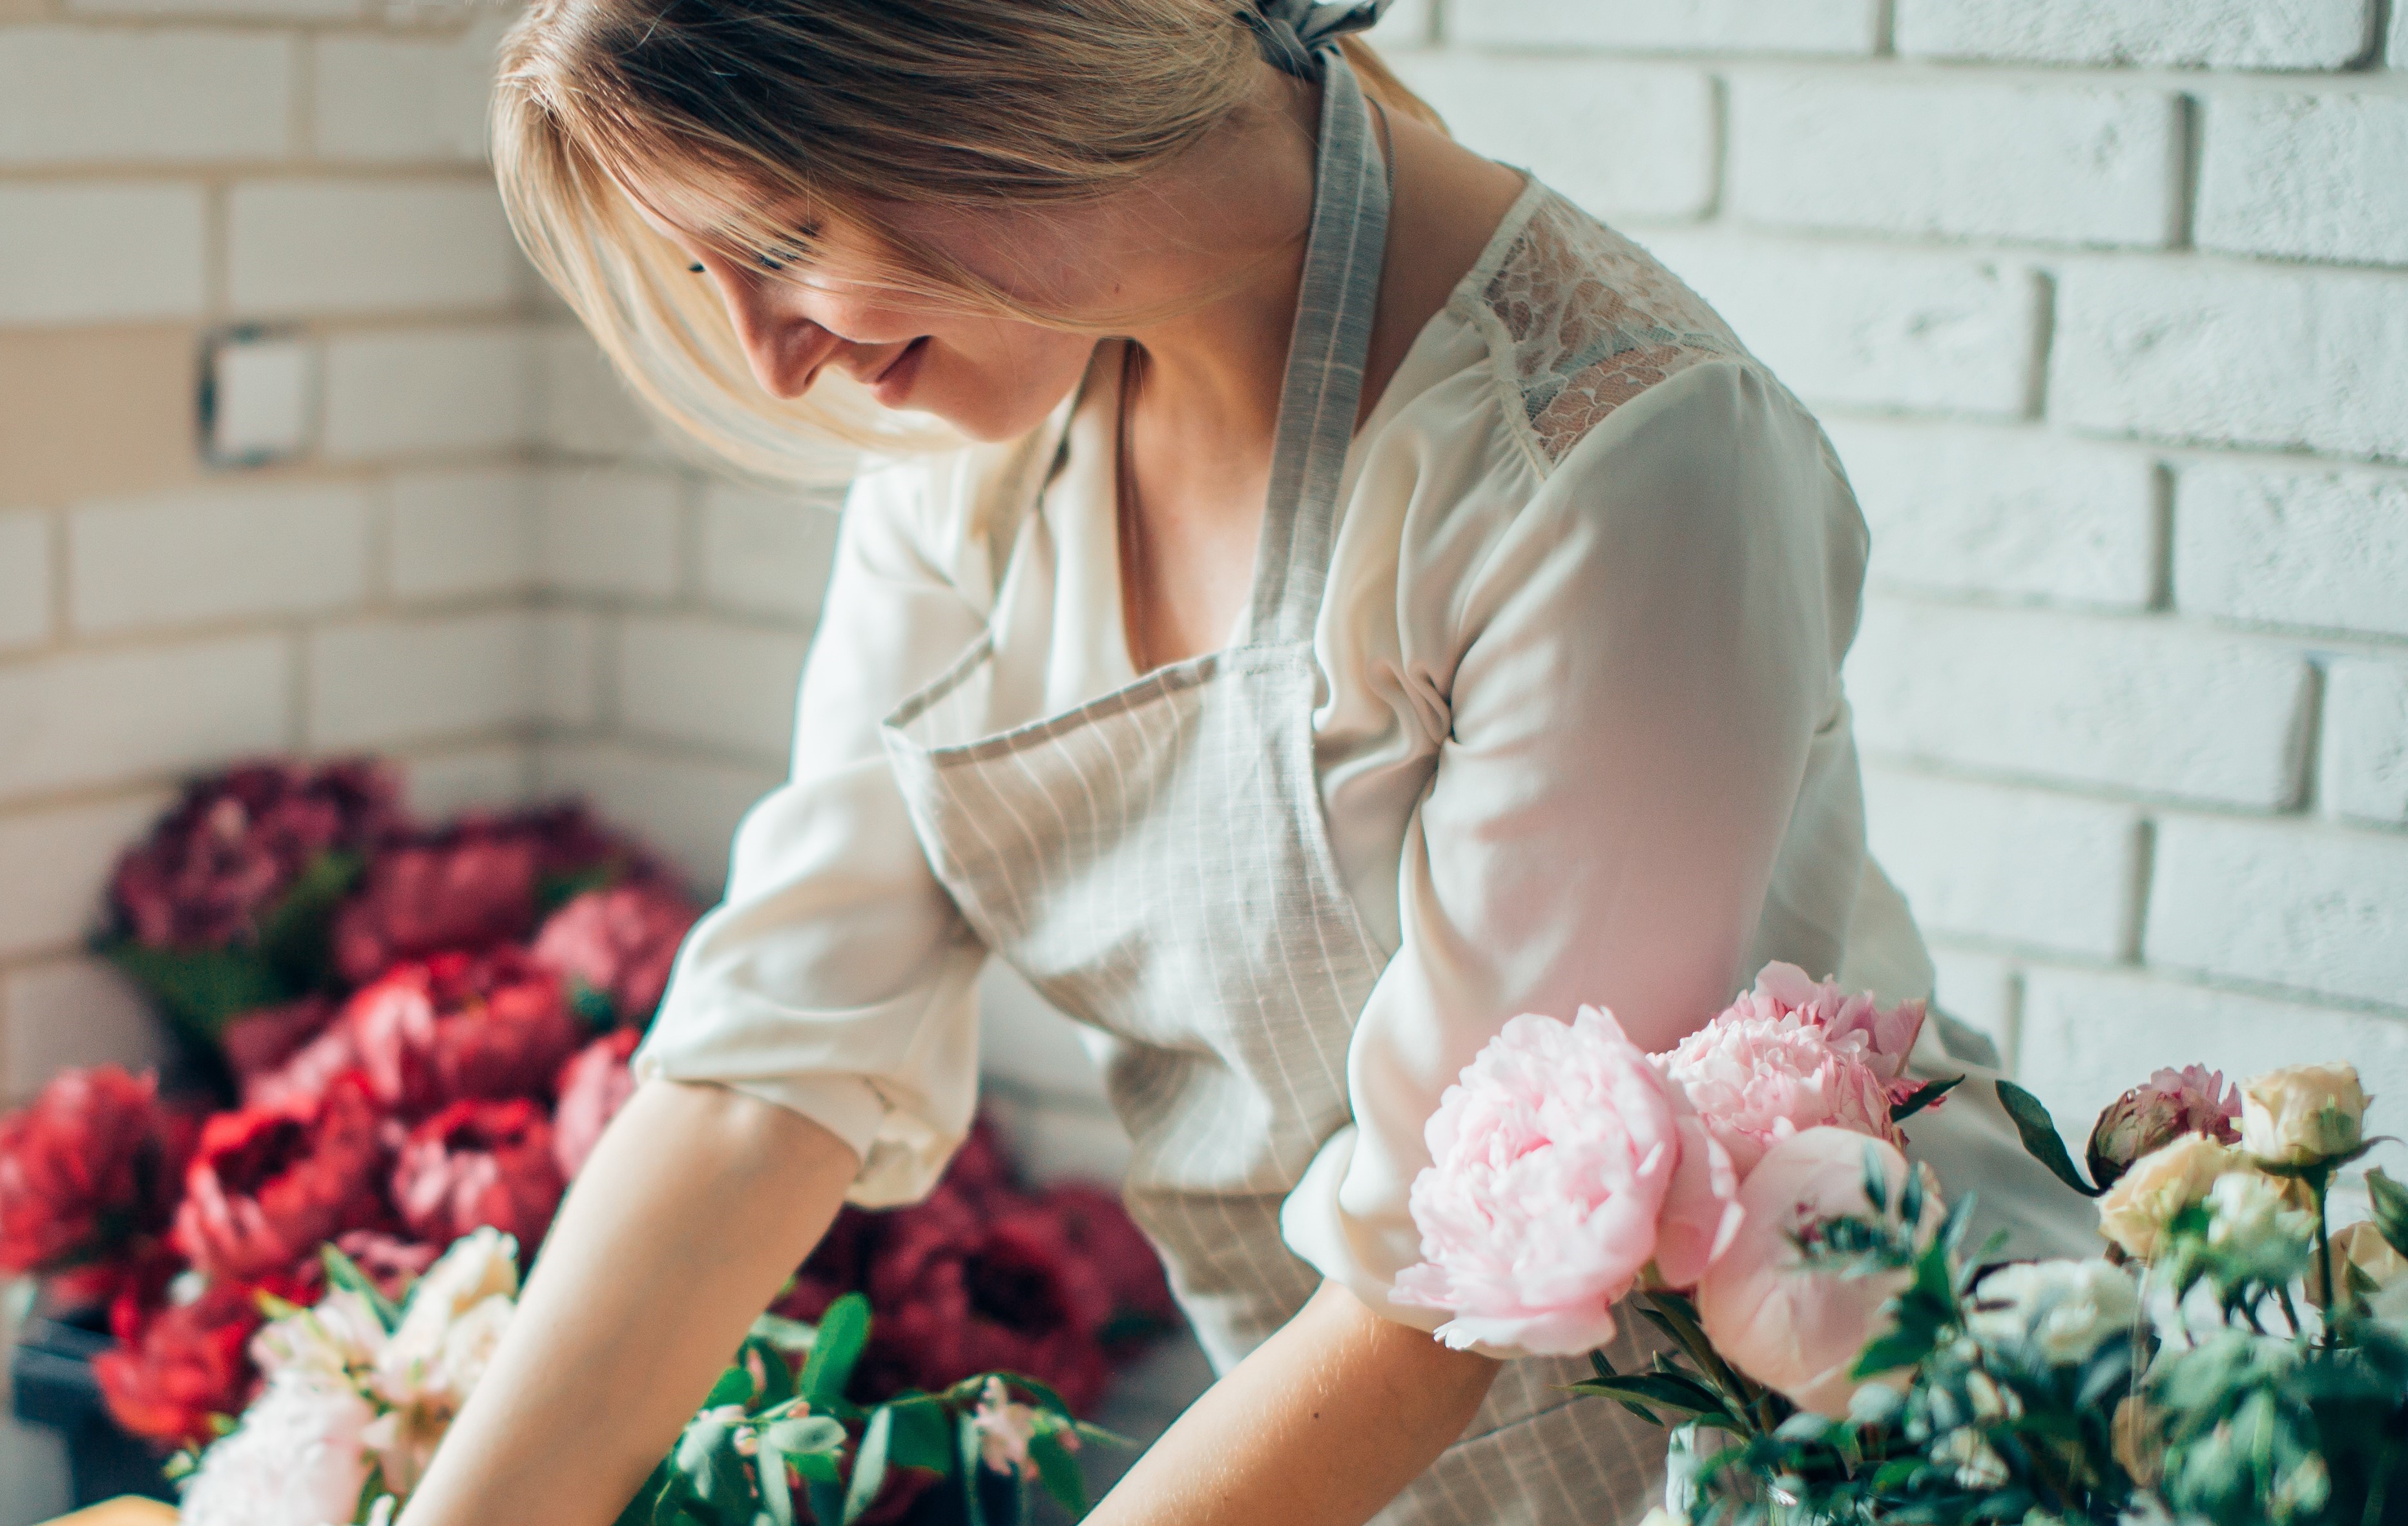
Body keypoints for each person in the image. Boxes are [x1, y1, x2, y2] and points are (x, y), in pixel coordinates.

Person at [401, 3, 2086, 1523]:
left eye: (782, 236)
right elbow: (755, 1078)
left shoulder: (1610, 457)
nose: (772, 354)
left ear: (996, 65)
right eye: (711, 272)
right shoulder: (966, 477)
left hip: (1818, 1455)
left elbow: (1440, 1280)